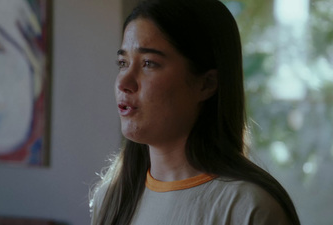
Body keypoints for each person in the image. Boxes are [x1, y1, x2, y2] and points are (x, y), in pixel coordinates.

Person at [90, 0, 301, 224]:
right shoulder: (111, 199)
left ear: (207, 84)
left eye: (149, 63)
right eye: (123, 62)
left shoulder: (249, 207)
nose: (124, 81)